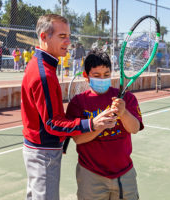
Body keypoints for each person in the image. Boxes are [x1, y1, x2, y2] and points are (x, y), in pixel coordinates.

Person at [21, 14, 117, 200]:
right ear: (44, 37)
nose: (68, 41)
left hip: (38, 148)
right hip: (43, 153)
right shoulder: (44, 74)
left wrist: (63, 142)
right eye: (62, 36)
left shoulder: (41, 64)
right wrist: (91, 124)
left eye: (68, 36)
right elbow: (53, 123)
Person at [66, 49, 144, 199]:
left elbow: (134, 128)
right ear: (86, 76)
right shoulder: (78, 102)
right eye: (97, 76)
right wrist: (98, 125)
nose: (102, 79)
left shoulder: (126, 98)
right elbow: (78, 139)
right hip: (91, 174)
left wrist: (124, 113)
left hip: (124, 173)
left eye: (106, 75)